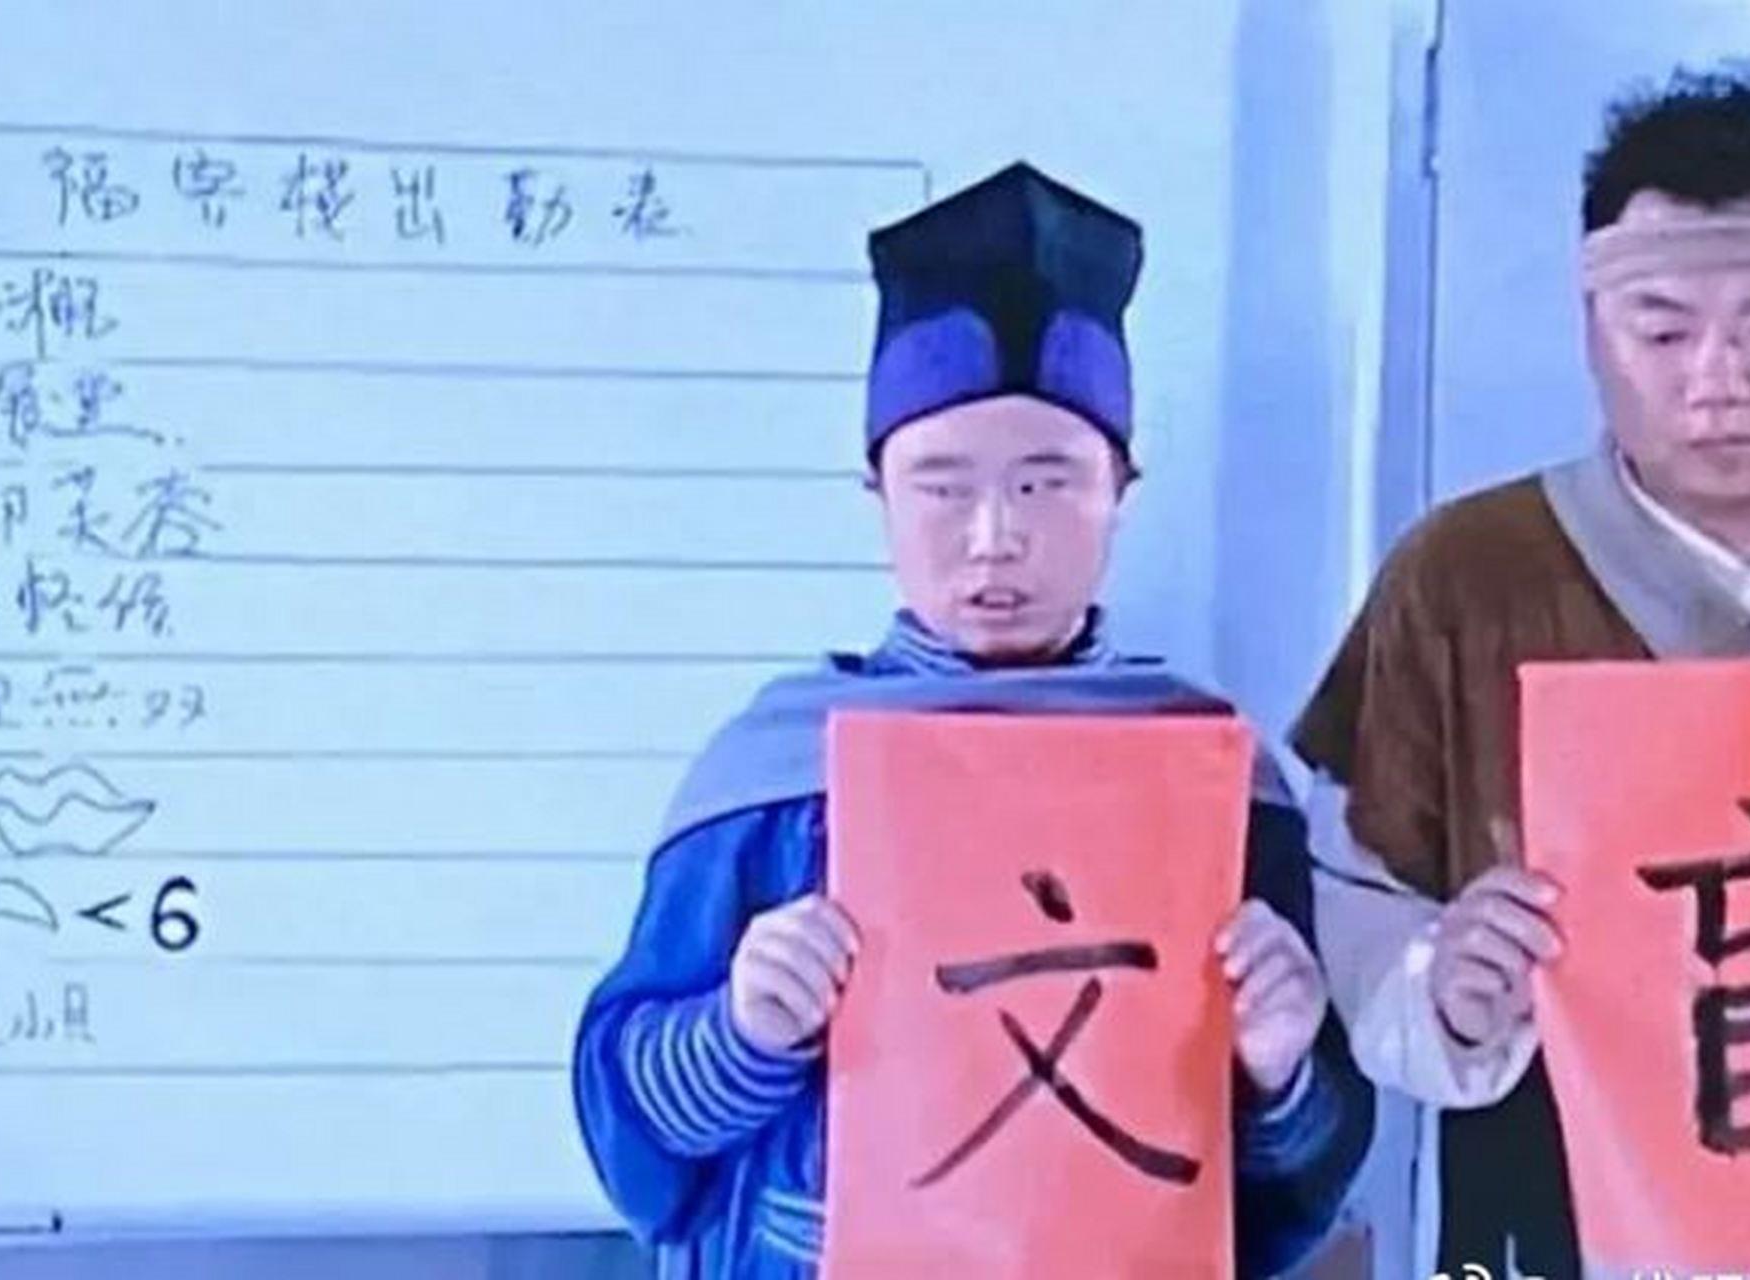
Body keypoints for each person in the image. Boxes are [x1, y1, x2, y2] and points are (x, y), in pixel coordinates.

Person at [574, 161, 1373, 1279]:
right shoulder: (774, 771)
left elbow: (1291, 1191)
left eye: (1046, 482)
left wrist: (1280, 1070)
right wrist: (741, 1031)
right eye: (942, 486)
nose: (994, 535)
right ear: (878, 494)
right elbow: (630, 1131)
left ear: (1120, 488)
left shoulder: (1215, 778)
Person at [1292, 64, 1750, 1278]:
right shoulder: (1465, 574)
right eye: (1661, 330)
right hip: (1554, 1196)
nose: (1717, 377)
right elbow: (1353, 889)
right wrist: (1442, 984)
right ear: (1591, 327)